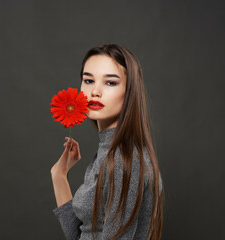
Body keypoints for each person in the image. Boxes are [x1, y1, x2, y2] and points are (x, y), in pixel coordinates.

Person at [50, 44, 164, 240]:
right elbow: (80, 235)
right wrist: (59, 175)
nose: (95, 91)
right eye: (88, 80)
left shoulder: (124, 159)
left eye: (110, 83)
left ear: (130, 91)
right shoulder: (109, 153)